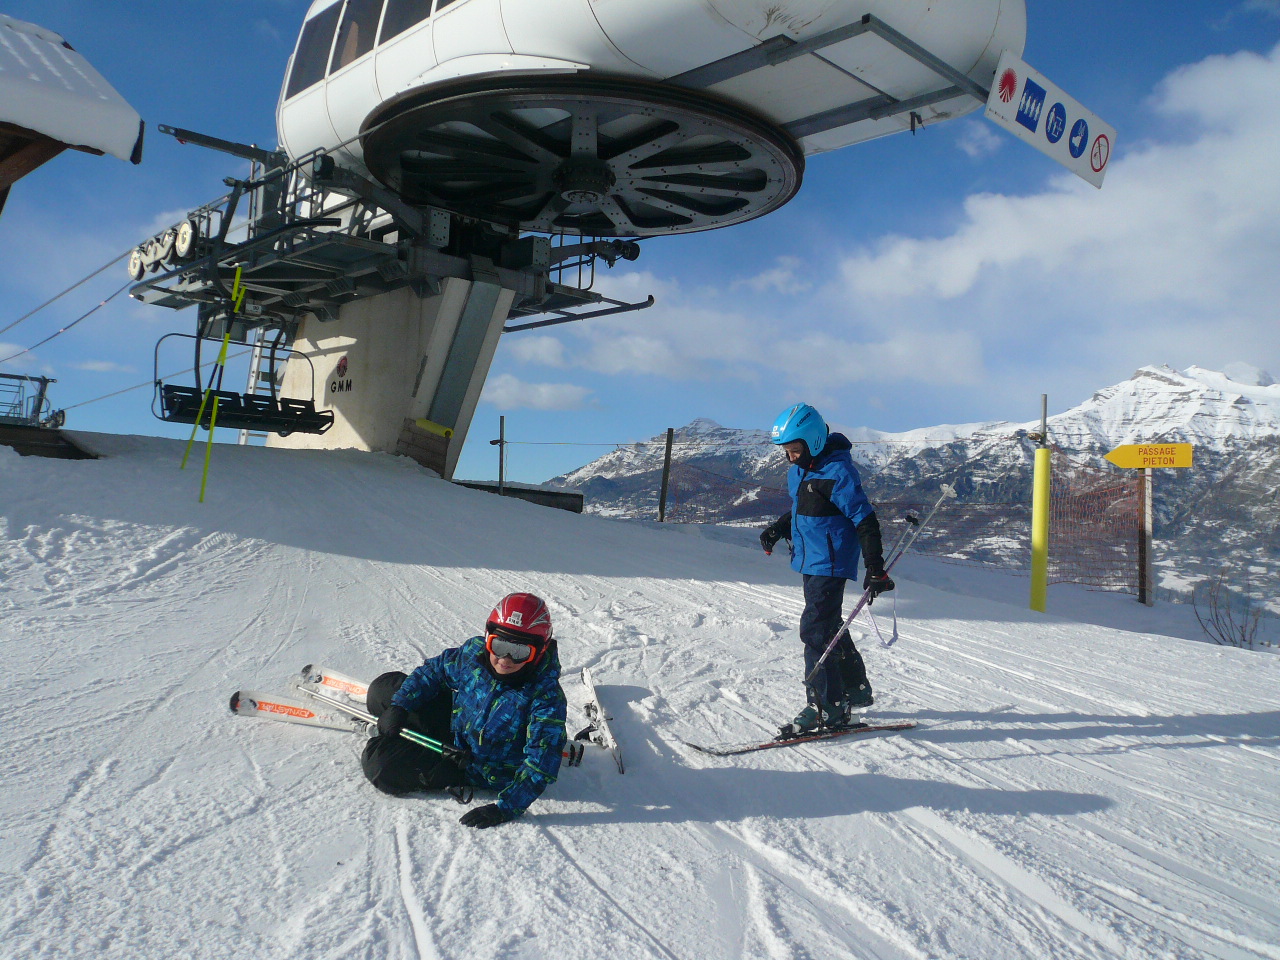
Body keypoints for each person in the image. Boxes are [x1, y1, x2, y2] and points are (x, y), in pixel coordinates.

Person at [361, 592, 568, 828]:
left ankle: (398, 742)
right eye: (499, 645)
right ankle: (400, 723)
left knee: (379, 766)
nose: (506, 659)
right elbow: (436, 670)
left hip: (473, 765)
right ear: (488, 637)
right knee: (381, 690)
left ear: (539, 651)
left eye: (520, 651)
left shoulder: (546, 698)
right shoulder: (474, 653)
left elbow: (541, 763)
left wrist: (505, 808)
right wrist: (400, 705)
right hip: (459, 722)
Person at [759, 403, 894, 735]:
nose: (790, 457)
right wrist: (778, 529)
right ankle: (855, 688)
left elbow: (864, 519)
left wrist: (875, 566)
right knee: (828, 624)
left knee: (815, 630)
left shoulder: (838, 472)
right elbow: (803, 508)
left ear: (814, 441)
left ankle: (827, 706)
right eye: (786, 451)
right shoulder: (799, 471)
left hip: (830, 562)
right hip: (810, 558)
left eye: (795, 449)